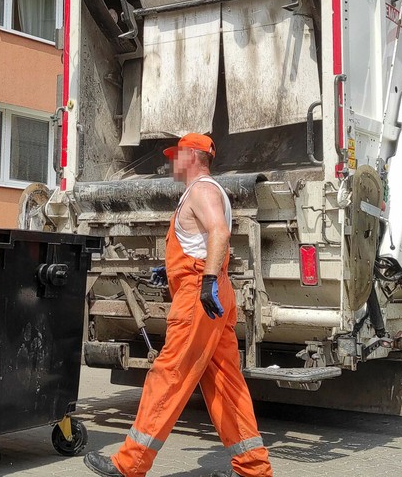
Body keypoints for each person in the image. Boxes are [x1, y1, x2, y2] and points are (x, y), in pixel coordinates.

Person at [83, 133, 273, 477]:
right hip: (212, 292)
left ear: (193, 156)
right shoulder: (206, 191)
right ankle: (253, 469)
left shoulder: (202, 190)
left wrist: (207, 281)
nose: (171, 162)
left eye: (176, 155)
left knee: (168, 374)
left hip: (201, 294)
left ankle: (130, 464)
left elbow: (218, 233)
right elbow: (201, 242)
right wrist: (172, 269)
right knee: (225, 383)